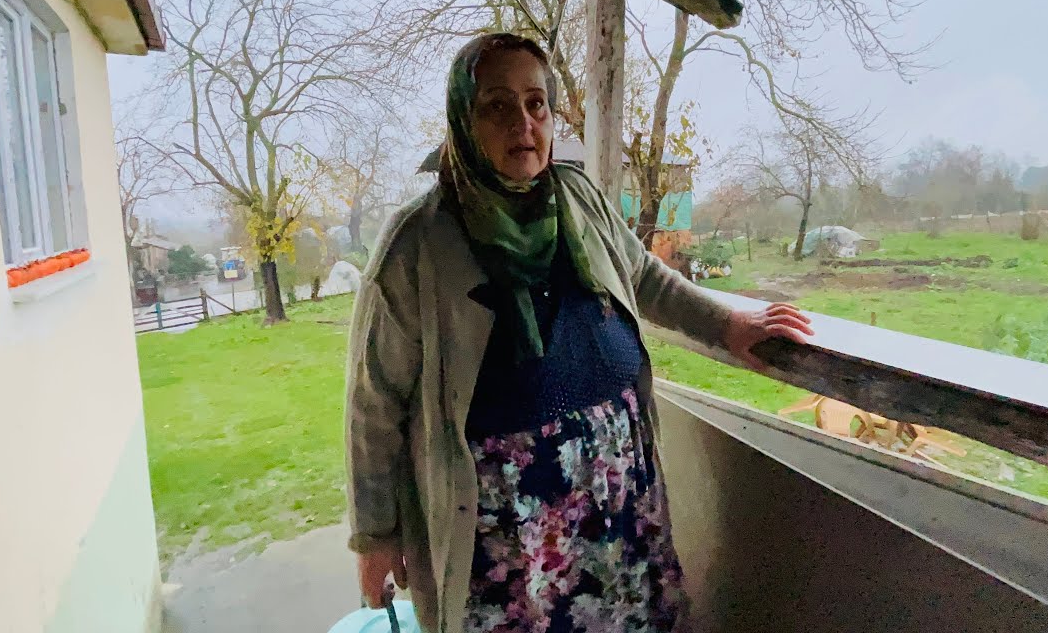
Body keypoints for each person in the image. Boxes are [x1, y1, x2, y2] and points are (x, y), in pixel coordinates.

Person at [345, 33, 813, 633]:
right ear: (463, 119)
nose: (523, 123)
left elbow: (644, 277)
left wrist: (727, 323)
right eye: (497, 105)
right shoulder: (416, 243)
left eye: (536, 103)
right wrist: (375, 536)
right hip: (509, 526)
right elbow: (374, 403)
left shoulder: (578, 197)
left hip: (619, 491)